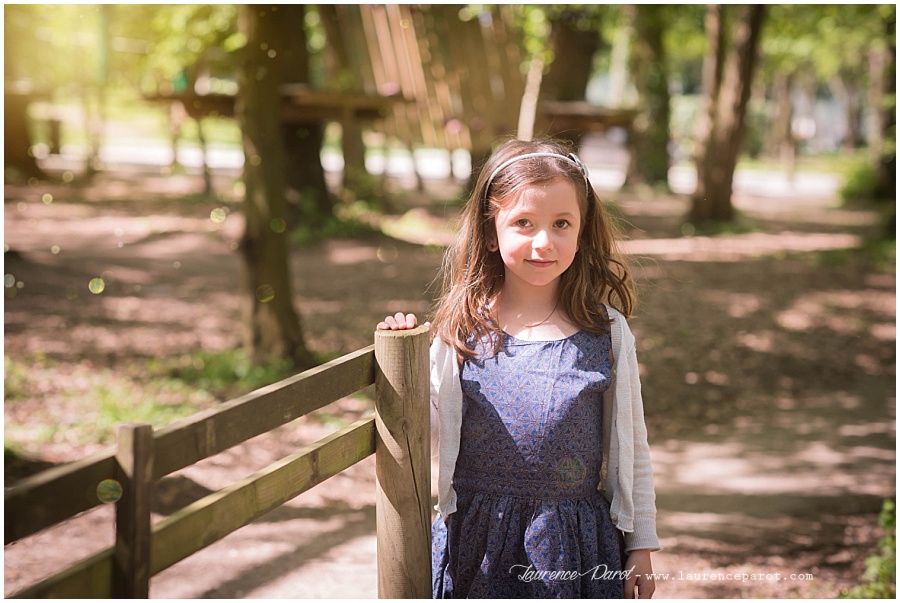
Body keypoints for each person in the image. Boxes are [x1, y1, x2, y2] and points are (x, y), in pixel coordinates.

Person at [378, 138, 659, 598]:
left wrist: (641, 543)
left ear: (582, 232)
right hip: (477, 542)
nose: (543, 241)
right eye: (523, 223)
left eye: (561, 223)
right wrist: (402, 365)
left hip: (575, 547)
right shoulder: (461, 329)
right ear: (491, 231)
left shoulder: (606, 332)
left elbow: (633, 445)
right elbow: (425, 430)